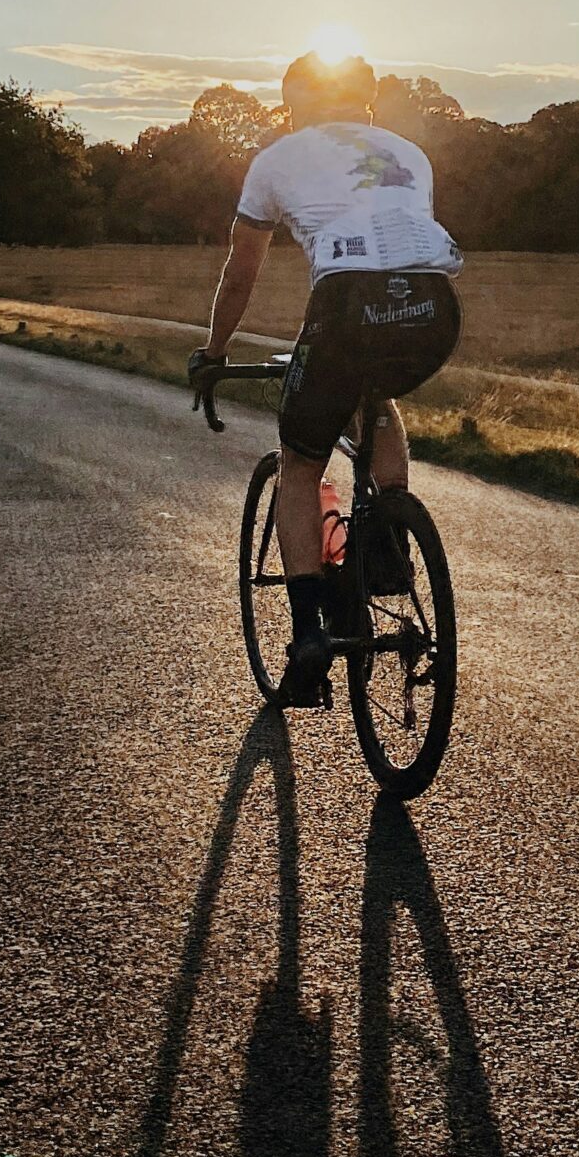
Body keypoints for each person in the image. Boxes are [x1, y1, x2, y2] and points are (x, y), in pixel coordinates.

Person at [189, 52, 460, 705]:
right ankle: (388, 537)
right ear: (365, 102)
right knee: (376, 397)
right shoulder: (410, 153)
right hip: (435, 308)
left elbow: (241, 267)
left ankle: (309, 634)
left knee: (301, 462)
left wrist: (214, 349)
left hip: (346, 308)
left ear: (293, 104)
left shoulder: (278, 158)